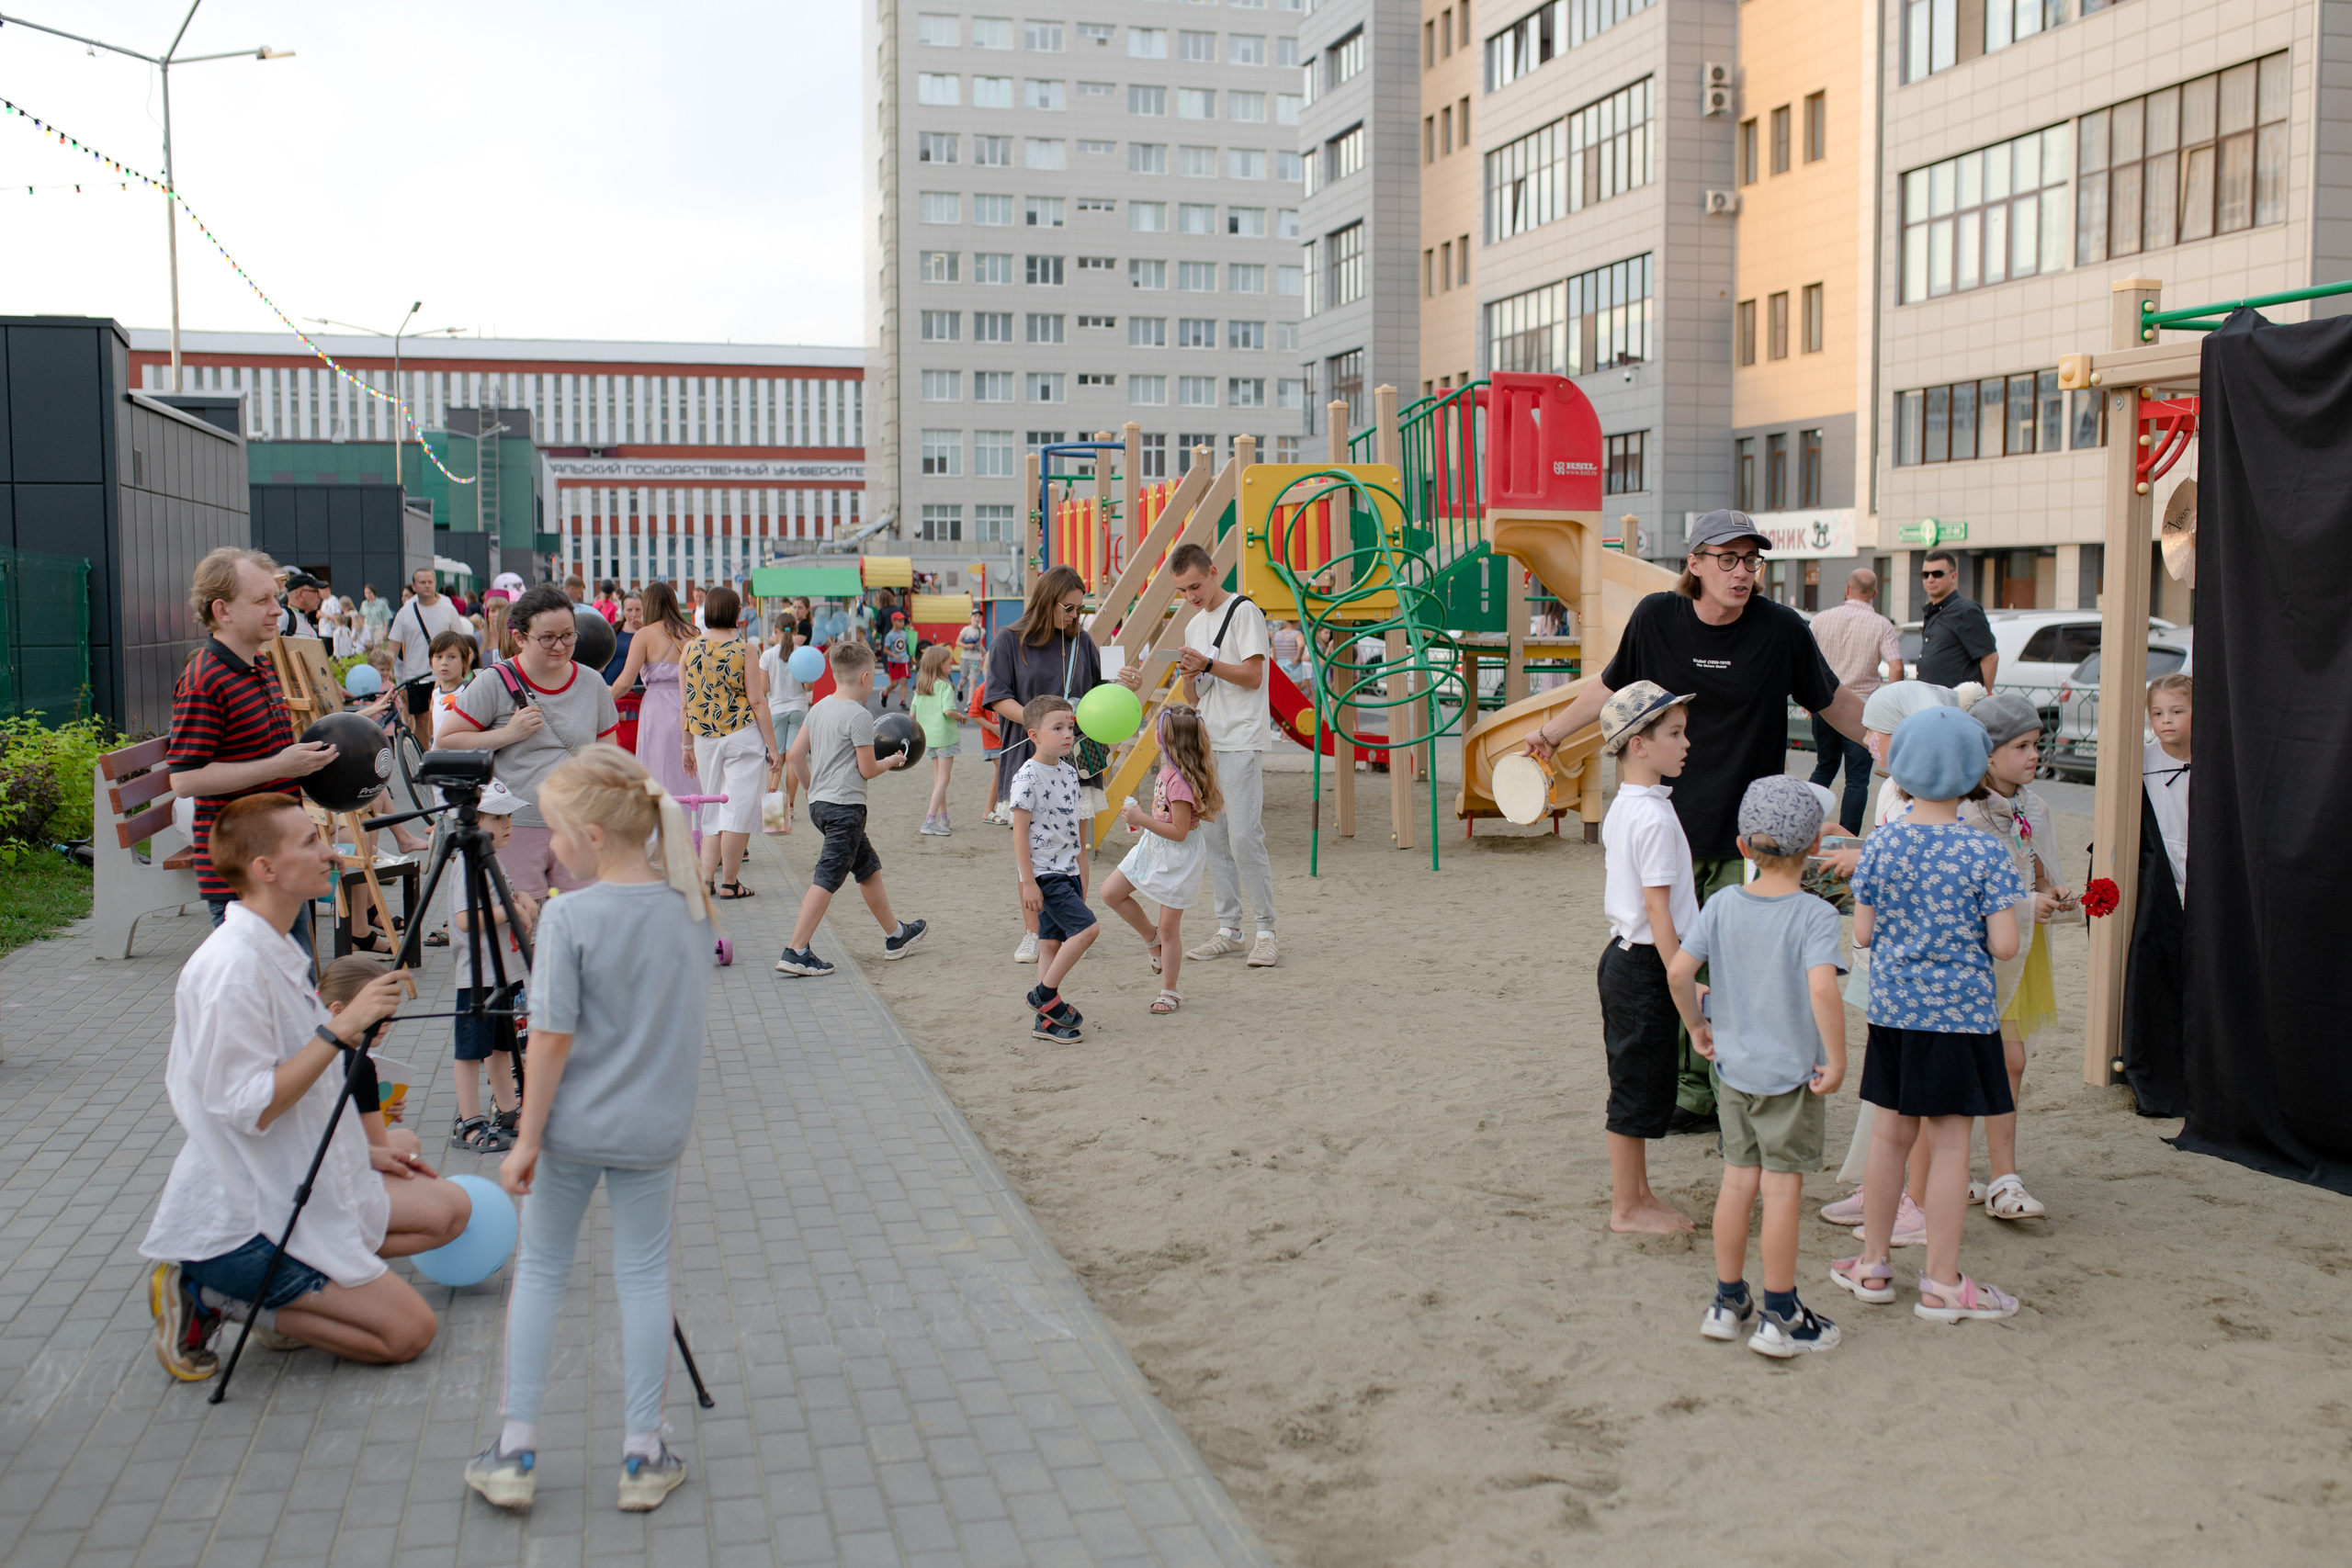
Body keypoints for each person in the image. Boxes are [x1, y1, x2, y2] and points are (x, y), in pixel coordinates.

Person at [1524, 509, 1864, 1130]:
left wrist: (1891, 738)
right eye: (1728, 559)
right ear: (1696, 564)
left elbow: (1833, 699)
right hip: (1672, 829)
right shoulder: (1658, 617)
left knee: (1738, 965)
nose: (1742, 572)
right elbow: (1610, 687)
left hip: (1749, 836)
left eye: (1751, 560)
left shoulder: (1781, 628)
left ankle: (1727, 1090)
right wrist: (1550, 732)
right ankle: (1688, 1091)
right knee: (1673, 961)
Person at [141, 794, 469, 1381]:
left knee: (447, 1211)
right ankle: (216, 1293)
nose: (334, 852)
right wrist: (343, 1027)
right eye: (311, 843)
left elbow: (304, 1092)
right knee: (409, 1332)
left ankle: (298, 1293)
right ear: (265, 869)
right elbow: (251, 1108)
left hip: (298, 1176)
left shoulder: (280, 946)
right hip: (245, 1218)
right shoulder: (232, 969)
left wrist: (363, 1152)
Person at [465, 749, 710, 1515]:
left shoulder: (570, 914)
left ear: (597, 834)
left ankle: (515, 1448)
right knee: (644, 1277)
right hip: (652, 1127)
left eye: (559, 831)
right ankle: (643, 1451)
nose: (551, 845)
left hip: (569, 1128)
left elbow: (551, 1035)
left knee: (541, 1272)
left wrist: (527, 1137)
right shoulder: (692, 908)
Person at [1833, 706, 2029, 1323]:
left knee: (1889, 1137)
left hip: (1894, 1012)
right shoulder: (1986, 851)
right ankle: (1943, 1281)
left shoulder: (1883, 842)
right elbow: (2004, 944)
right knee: (1949, 1147)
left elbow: (1861, 929)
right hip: (1962, 1019)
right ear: (1976, 769)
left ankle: (1871, 1263)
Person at [1669, 777, 1849, 1358]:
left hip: (1734, 1072)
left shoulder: (1722, 904)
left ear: (1745, 847)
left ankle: (1727, 1302)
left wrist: (1698, 1026)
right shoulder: (1814, 914)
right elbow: (1824, 990)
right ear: (1814, 846)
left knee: (1736, 1182)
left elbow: (1679, 972)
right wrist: (1838, 1057)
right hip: (1790, 1076)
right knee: (1782, 1193)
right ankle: (1780, 1313)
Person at [1117, 541, 1281, 969]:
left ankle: (1266, 930)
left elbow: (1253, 676)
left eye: (1194, 586)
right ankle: (1230, 928)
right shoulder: (1192, 627)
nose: (1191, 597)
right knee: (1213, 837)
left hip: (1240, 737)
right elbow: (1193, 695)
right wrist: (1191, 675)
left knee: (1244, 835)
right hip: (1204, 741)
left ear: (1212, 572)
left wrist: (1206, 665)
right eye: (1183, 591)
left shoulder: (1244, 611)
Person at [166, 547, 337, 939]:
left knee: (294, 991)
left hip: (279, 864)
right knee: (264, 995)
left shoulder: (259, 664)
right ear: (222, 610)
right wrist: (282, 765)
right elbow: (185, 781)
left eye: (275, 599)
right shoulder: (204, 681)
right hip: (244, 879)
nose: (277, 610)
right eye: (261, 600)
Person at [1593, 682, 1702, 1235]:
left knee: (1640, 1076)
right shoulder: (1652, 816)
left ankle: (1638, 1193)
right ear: (1638, 744)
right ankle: (1626, 1207)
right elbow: (1658, 910)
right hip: (1644, 961)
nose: (1686, 743)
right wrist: (1683, 979)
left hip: (1629, 957)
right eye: (1674, 734)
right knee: (1636, 1083)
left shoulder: (1631, 805)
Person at [436, 584, 621, 899]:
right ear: (520, 638)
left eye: (568, 635)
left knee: (580, 924)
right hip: (515, 826)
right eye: (547, 638)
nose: (560, 646)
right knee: (520, 924)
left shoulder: (593, 684)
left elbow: (608, 757)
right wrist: (507, 734)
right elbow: (446, 741)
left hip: (578, 825)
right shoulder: (494, 681)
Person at [1960, 690, 2069, 1220]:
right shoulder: (1964, 812)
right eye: (2022, 746)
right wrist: (2027, 903)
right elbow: (1965, 897)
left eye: (2037, 744)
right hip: (1978, 954)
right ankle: (1961, 1168)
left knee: (2011, 1060)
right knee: (1973, 1060)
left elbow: (2040, 868)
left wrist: (2056, 894)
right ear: (1986, 753)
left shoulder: (2034, 805)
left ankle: (2004, 1174)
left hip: (2020, 952)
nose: (2033, 755)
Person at [774, 641, 929, 976]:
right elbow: (867, 769)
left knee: (867, 868)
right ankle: (796, 950)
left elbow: (796, 756)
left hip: (821, 805)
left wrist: (810, 788)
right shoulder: (859, 716)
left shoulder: (818, 709)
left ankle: (896, 935)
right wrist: (891, 759)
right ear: (865, 677)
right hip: (846, 808)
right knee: (827, 878)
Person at [985, 566, 1106, 956]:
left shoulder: (1082, 642)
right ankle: (1034, 931)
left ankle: (1076, 924)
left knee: (1075, 844)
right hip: (1030, 754)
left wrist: (1122, 687)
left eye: (1079, 609)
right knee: (1033, 845)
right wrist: (1042, 724)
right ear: (1047, 601)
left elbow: (1095, 693)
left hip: (1077, 757)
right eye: (1068, 608)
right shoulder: (1010, 640)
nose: (1074, 616)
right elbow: (998, 696)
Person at [1102, 704, 1222, 1019]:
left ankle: (1169, 990)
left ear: (1166, 740)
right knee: (1110, 893)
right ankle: (1150, 938)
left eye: (1157, 729)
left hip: (1178, 856)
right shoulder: (1167, 771)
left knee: (1170, 927)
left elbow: (1180, 832)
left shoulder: (1179, 782)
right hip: (1153, 846)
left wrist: (1141, 818)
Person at [446, 781, 533, 1153]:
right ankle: (470, 1119)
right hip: (478, 975)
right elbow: (465, 919)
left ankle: (509, 1109)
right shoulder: (467, 863)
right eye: (497, 817)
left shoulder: (491, 860)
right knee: (470, 1051)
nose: (508, 824)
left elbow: (504, 899)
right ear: (473, 820)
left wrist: (522, 899)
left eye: (509, 816)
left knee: (501, 1046)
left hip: (505, 971)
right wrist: (513, 910)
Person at [2120, 672, 2191, 1118]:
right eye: (2158, 713)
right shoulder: (2142, 762)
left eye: (2178, 711)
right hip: (2163, 873)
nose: (2167, 722)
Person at [681, 586, 779, 898]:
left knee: (710, 805)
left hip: (704, 737)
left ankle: (707, 878)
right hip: (741, 733)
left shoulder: (689, 649)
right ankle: (730, 882)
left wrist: (686, 746)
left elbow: (685, 704)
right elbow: (757, 701)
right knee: (738, 807)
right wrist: (773, 748)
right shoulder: (745, 649)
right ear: (736, 614)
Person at [1011, 695, 1098, 1041]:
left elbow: (1074, 827)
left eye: (1070, 727)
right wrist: (1028, 882)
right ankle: (1045, 996)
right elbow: (1018, 833)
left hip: (1069, 873)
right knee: (1088, 931)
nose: (1067, 734)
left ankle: (1045, 1023)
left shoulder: (1069, 772)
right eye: (1057, 728)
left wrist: (1082, 872)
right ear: (1034, 735)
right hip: (1045, 875)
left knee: (1049, 944)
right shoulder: (1026, 777)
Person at [1807, 569, 1905, 834]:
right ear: (1874, 594)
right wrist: (1892, 710)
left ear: (1847, 590)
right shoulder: (1882, 625)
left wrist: (1808, 699)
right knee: (1857, 780)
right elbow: (1896, 667)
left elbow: (1804, 662)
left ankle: (1803, 825)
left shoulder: (1820, 619)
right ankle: (1847, 837)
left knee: (1824, 767)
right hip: (1863, 713)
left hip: (1825, 706)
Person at [605, 581, 695, 802]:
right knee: (691, 771)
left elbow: (625, 682)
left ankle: (664, 825)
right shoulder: (693, 632)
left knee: (660, 767)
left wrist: (604, 697)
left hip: (658, 707)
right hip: (691, 706)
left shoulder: (644, 635)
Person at [1917, 548, 1998, 689]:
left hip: (1956, 703)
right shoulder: (1932, 611)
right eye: (1925, 574)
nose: (1930, 579)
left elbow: (1990, 657)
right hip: (1932, 700)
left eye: (1937, 574)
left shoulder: (1966, 610)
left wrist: (1987, 695)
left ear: (1953, 577)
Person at [910, 644, 963, 835]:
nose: (952, 665)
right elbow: (948, 711)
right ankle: (930, 820)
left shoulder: (921, 688)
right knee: (943, 780)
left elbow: (912, 714)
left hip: (929, 739)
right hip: (945, 738)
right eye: (949, 663)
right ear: (940, 664)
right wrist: (961, 716)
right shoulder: (945, 686)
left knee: (938, 780)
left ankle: (944, 818)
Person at [388, 567, 468, 683]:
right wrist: (387, 669)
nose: (427, 585)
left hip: (443, 677)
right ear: (414, 587)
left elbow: (461, 641)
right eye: (422, 582)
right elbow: (394, 645)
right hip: (414, 678)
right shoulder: (405, 612)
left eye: (430, 582)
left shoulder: (448, 610)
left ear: (435, 583)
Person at [277, 570, 326, 638]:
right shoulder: (284, 615)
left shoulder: (306, 620)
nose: (320, 596)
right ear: (300, 594)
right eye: (316, 591)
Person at [882, 611, 913, 709]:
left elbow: (907, 646)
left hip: (904, 661)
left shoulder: (904, 634)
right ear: (894, 621)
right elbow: (885, 650)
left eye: (903, 621)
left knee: (904, 682)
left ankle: (902, 702)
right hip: (893, 662)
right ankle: (884, 694)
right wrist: (894, 655)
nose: (902, 623)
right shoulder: (890, 636)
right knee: (894, 684)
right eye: (899, 621)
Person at [1270, 617, 1309, 693]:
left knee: (1281, 692)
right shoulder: (1297, 634)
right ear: (1298, 622)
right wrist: (1298, 657)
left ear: (1285, 621)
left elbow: (1274, 653)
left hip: (1280, 665)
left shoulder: (1277, 634)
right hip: (1293, 665)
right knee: (1294, 692)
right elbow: (1301, 645)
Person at [957, 608, 988, 700]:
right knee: (964, 680)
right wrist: (967, 646)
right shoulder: (966, 630)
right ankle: (960, 687)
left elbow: (978, 643)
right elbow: (957, 642)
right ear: (970, 618)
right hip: (965, 658)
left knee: (973, 680)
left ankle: (969, 702)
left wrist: (984, 651)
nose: (977, 618)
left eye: (979, 617)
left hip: (976, 659)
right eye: (975, 616)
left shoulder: (982, 631)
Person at [359, 583, 391, 649]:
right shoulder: (364, 604)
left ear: (373, 592)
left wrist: (385, 630)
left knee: (378, 646)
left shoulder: (381, 603)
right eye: (366, 593)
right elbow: (361, 616)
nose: (368, 595)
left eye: (370, 593)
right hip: (367, 627)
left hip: (378, 627)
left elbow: (386, 618)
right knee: (368, 646)